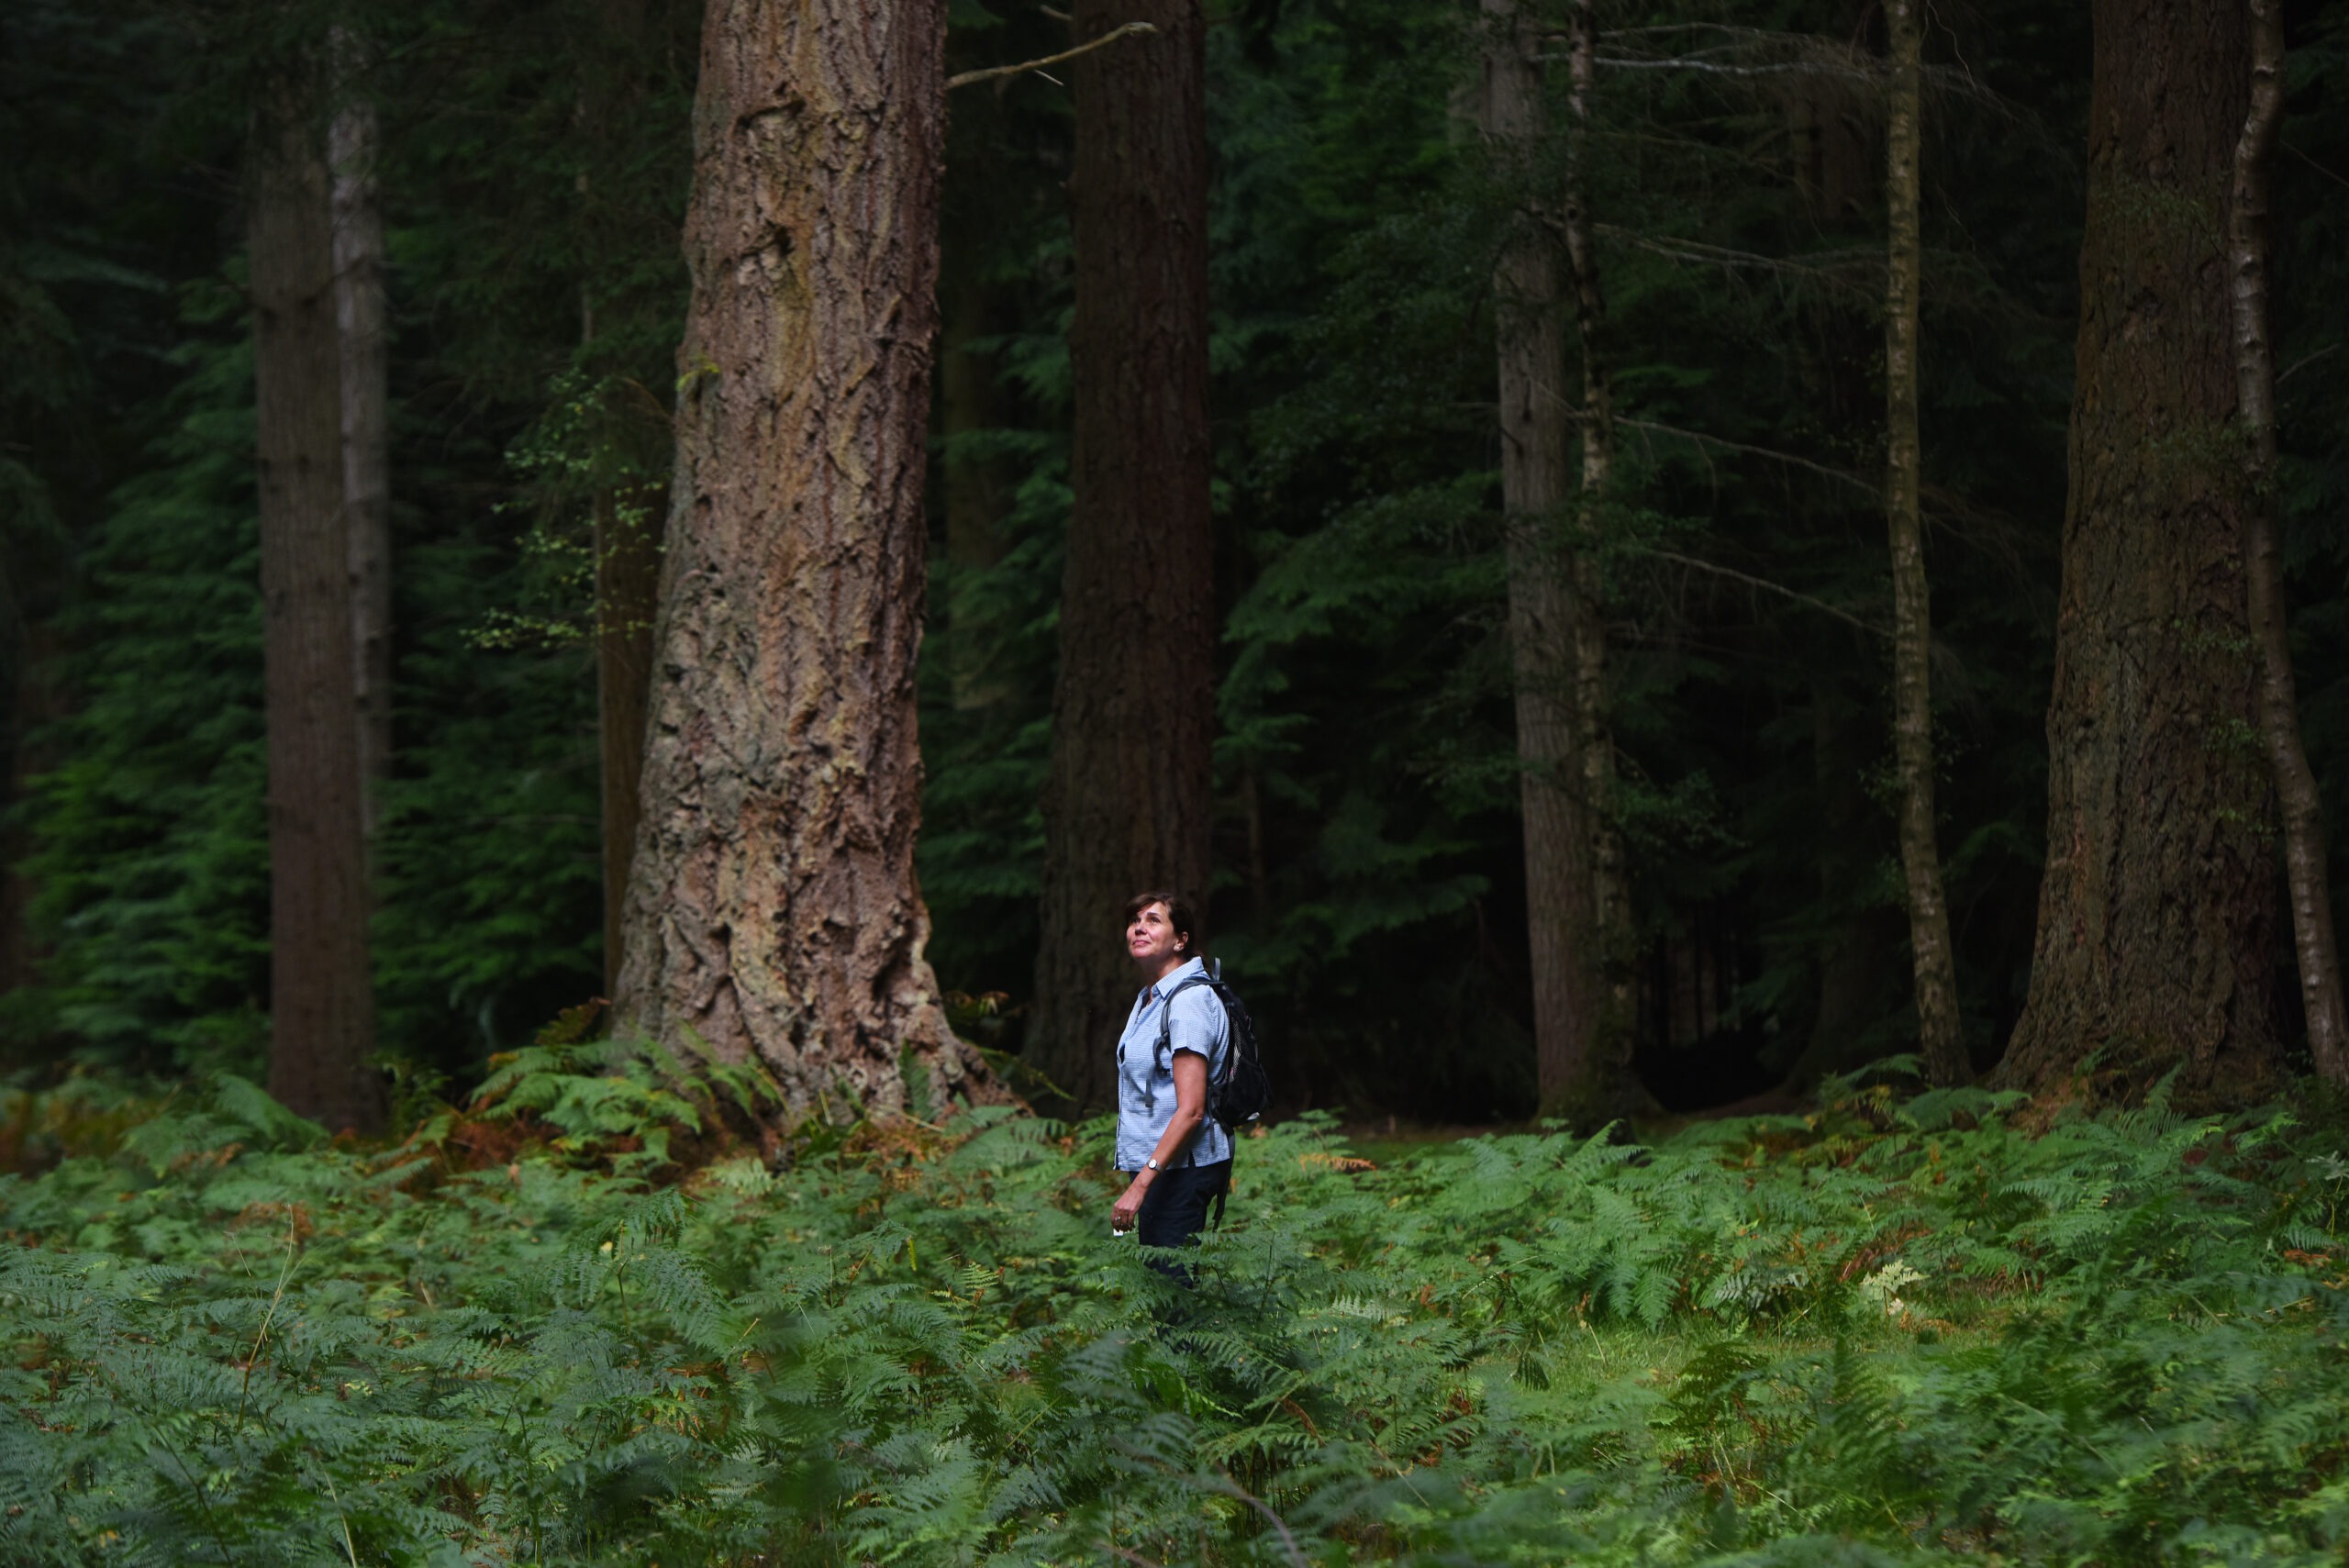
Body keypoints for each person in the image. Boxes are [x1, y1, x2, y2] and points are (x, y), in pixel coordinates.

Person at [1108, 890, 1230, 1274]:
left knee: (1173, 1297)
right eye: (1134, 921)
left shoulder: (1188, 1002)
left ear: (1181, 940)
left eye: (1153, 920)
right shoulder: (1151, 998)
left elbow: (1192, 1110)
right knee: (1166, 1293)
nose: (1139, 927)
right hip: (1164, 1165)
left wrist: (1140, 1185)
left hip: (1181, 1167)